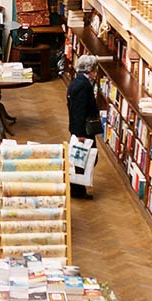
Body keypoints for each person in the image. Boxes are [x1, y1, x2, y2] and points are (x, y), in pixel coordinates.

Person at [66, 54, 101, 199]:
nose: (96, 73)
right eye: (95, 70)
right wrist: (80, 133)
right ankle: (77, 190)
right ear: (90, 70)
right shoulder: (83, 86)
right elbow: (79, 111)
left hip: (80, 128)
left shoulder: (77, 82)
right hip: (83, 130)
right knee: (84, 159)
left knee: (81, 159)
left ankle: (77, 189)